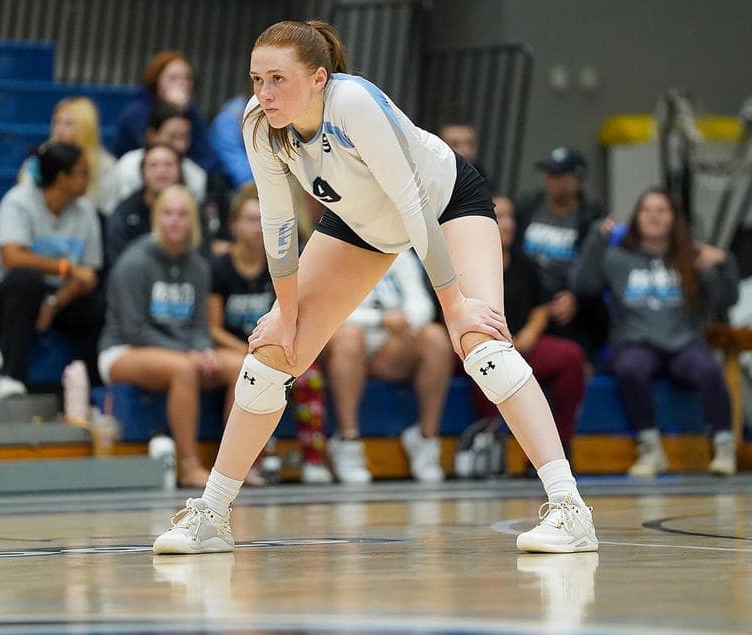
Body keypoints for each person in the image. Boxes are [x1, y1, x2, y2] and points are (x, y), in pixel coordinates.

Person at [153, 20, 597, 555]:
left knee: (483, 343)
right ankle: (211, 514)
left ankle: (570, 508)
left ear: (319, 78)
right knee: (272, 352)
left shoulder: (355, 103)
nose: (264, 93)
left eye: (277, 79)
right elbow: (278, 224)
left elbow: (413, 206)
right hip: (360, 222)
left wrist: (453, 306)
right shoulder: (258, 123)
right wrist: (287, 310)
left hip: (443, 204)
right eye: (256, 79)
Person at [569, 187, 739, 477]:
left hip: (683, 343)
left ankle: (724, 447)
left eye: (661, 211)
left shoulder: (691, 257)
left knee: (708, 369)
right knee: (631, 368)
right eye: (646, 210)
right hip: (635, 341)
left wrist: (723, 264)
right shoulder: (617, 258)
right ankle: (650, 449)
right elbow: (582, 285)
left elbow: (727, 300)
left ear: (674, 219)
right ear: (636, 218)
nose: (654, 217)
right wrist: (597, 239)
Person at [98, 184, 248, 488]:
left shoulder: (198, 266)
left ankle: (233, 468)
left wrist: (204, 348)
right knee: (182, 369)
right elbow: (133, 328)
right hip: (123, 351)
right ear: (156, 218)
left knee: (241, 366)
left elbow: (199, 326)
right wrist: (188, 353)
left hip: (181, 351)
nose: (175, 221)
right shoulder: (134, 262)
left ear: (192, 221)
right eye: (167, 214)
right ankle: (189, 467)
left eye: (182, 214)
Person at [208, 184, 333, 484]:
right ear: (234, 224)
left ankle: (313, 455)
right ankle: (250, 462)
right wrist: (249, 350)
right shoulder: (219, 267)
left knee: (309, 373)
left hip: (275, 346)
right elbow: (212, 327)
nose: (257, 227)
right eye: (250, 220)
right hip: (235, 347)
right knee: (250, 372)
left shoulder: (282, 264)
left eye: (263, 220)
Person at [0, 142, 105, 399]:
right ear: (62, 177)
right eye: (81, 172)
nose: (88, 179)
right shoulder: (18, 201)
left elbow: (88, 274)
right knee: (26, 279)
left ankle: (91, 385)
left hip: (55, 295)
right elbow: (12, 257)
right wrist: (66, 268)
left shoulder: (86, 211)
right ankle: (11, 377)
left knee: (97, 305)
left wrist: (54, 303)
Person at [325, 250, 452, 483]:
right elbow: (327, 309)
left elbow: (422, 302)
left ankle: (426, 438)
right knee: (349, 339)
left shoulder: (399, 251)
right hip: (348, 337)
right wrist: (380, 319)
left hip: (393, 342)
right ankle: (347, 440)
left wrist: (406, 321)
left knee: (435, 337)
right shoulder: (332, 246)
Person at [475, 196, 586, 451]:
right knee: (486, 365)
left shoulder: (524, 261)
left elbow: (541, 306)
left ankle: (561, 445)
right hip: (483, 347)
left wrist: (530, 332)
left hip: (521, 345)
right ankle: (492, 447)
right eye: (499, 217)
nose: (508, 224)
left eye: (511, 217)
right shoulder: (469, 261)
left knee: (570, 357)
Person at [514, 147, 609, 358]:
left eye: (558, 175)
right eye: (548, 173)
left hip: (567, 298)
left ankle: (585, 359)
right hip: (526, 293)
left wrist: (575, 296)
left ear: (576, 180)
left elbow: (596, 267)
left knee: (589, 308)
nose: (550, 180)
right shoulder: (527, 207)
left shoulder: (590, 216)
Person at [111, 50, 218, 173]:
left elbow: (204, 154)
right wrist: (173, 110)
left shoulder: (192, 111)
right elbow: (153, 151)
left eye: (187, 78)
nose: (182, 84)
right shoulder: (136, 111)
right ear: (156, 81)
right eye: (173, 78)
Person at [21, 97, 118, 213]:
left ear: (86, 128)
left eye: (68, 124)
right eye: (57, 122)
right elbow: (25, 195)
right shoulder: (41, 155)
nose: (59, 129)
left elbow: (109, 210)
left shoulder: (106, 165)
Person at [109, 105, 208, 206]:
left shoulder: (196, 176)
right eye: (172, 137)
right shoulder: (128, 166)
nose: (180, 145)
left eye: (184, 137)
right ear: (152, 135)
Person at [105, 143, 184, 268]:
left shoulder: (191, 209)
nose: (161, 170)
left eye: (168, 165)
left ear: (180, 171)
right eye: (153, 165)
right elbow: (119, 265)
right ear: (142, 172)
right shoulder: (125, 212)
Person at [438, 121, 494, 190]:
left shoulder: (478, 171)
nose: (465, 151)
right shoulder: (428, 173)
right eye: (455, 144)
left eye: (470, 144)